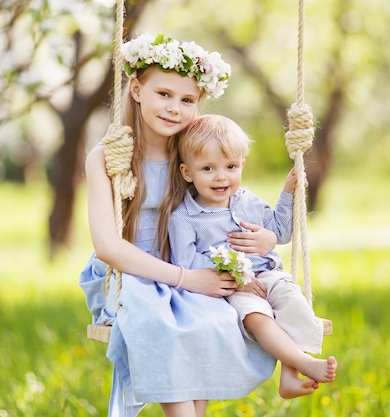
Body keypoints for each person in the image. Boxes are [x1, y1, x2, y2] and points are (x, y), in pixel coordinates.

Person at [79, 33, 278, 417]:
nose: (174, 108)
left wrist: (267, 236)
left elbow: (230, 202)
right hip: (128, 275)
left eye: (187, 100)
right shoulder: (107, 157)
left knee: (213, 321)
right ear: (136, 90)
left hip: (188, 262)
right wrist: (187, 279)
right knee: (161, 324)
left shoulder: (190, 155)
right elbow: (107, 246)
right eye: (164, 94)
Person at [167, 114, 338, 400]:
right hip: (231, 288)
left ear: (242, 165)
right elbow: (186, 261)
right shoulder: (185, 216)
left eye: (230, 166)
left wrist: (288, 193)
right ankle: (305, 362)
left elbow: (281, 232)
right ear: (187, 172)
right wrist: (234, 275)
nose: (221, 176)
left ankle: (289, 376)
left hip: (270, 274)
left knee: (294, 302)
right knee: (257, 317)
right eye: (208, 168)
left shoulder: (248, 201)